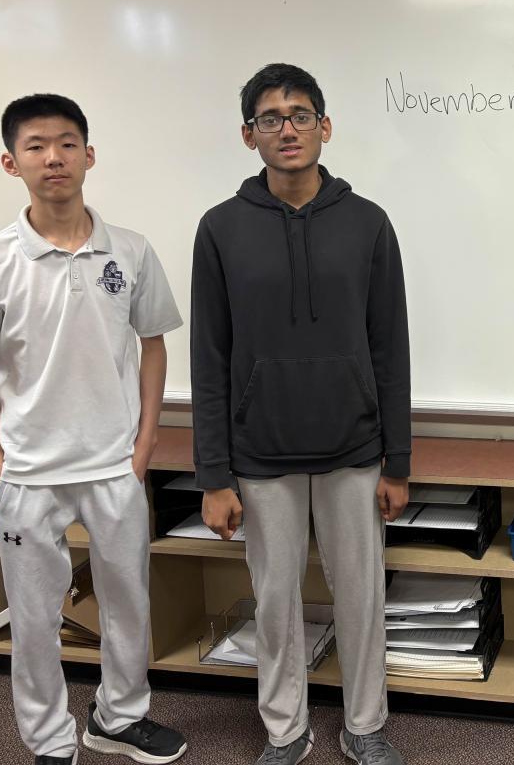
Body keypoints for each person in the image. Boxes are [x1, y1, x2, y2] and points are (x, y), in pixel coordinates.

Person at [0, 93, 187, 765]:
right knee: (34, 620)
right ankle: (50, 740)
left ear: (89, 155)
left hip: (114, 465)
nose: (53, 157)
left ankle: (119, 717)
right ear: (12, 162)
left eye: (66, 143)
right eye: (35, 146)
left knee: (128, 605)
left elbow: (152, 346)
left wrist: (143, 445)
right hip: (28, 474)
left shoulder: (131, 252)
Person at [191, 63, 411, 765]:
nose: (286, 129)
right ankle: (286, 730)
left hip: (354, 447)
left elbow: (390, 346)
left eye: (300, 115)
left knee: (361, 598)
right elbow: (209, 357)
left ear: (325, 126)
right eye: (270, 118)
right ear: (248, 135)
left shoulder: (368, 222)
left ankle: (364, 725)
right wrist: (213, 475)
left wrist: (398, 460)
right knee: (276, 601)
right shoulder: (220, 228)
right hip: (260, 452)